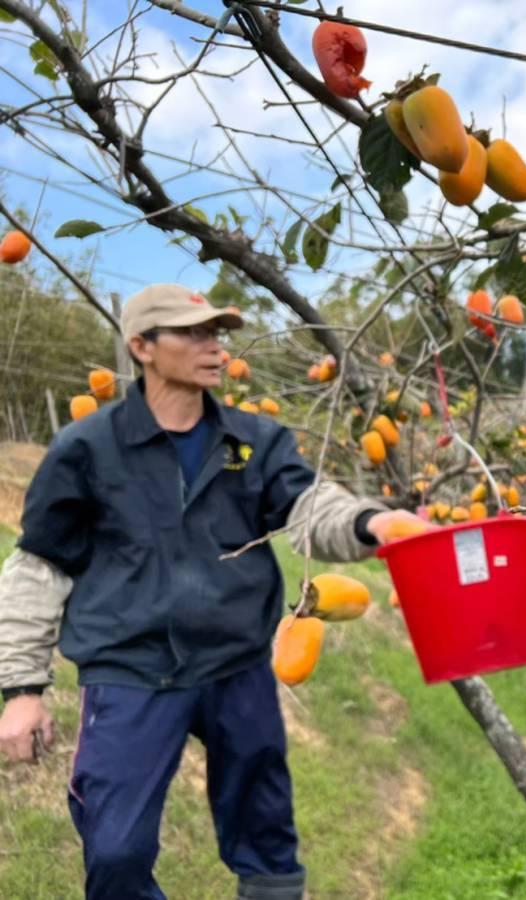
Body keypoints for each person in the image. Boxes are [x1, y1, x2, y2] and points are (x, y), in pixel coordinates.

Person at [0, 283, 420, 900]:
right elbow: (39, 569)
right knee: (115, 852)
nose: (213, 347)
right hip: (131, 670)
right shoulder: (88, 450)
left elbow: (307, 508)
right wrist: (22, 690)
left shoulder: (253, 441)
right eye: (192, 333)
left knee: (267, 840)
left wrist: (372, 522)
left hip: (236, 666)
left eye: (217, 333)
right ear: (142, 346)